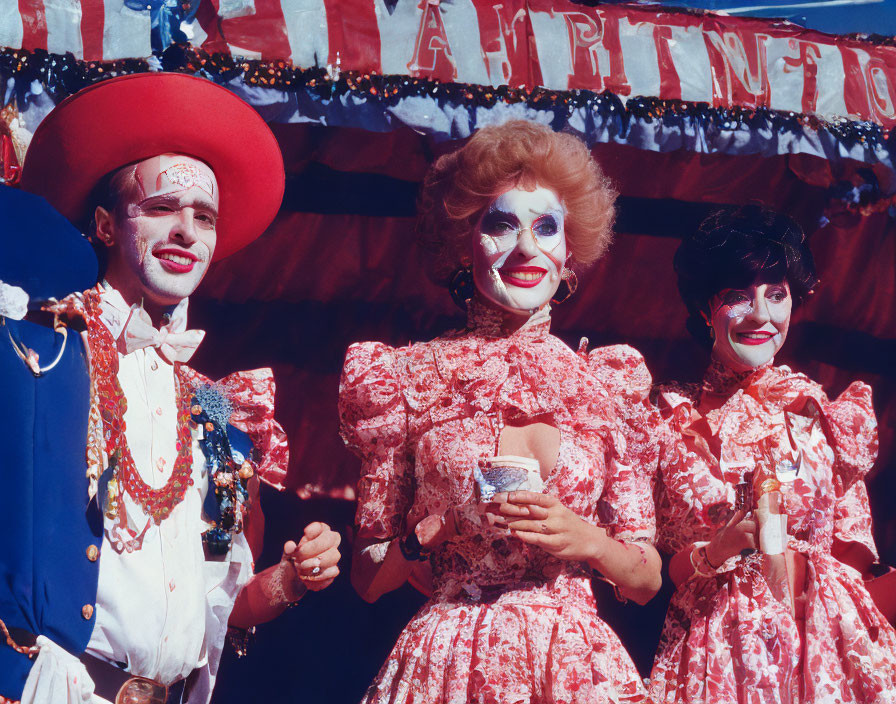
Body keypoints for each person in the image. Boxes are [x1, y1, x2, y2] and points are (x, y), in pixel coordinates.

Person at [0, 73, 341, 704]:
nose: (187, 230)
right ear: (105, 225)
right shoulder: (30, 353)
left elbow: (224, 604)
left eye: (204, 216)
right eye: (161, 208)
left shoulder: (215, 416)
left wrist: (291, 579)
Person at [339, 120, 662, 704]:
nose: (526, 248)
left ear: (570, 249)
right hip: (449, 661)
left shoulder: (607, 384)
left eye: (546, 228)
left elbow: (646, 578)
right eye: (501, 224)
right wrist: (423, 539)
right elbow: (367, 579)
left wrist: (589, 541)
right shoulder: (405, 378)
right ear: (464, 239)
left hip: (569, 664)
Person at [648, 204, 896, 704]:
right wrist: (714, 553)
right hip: (719, 651)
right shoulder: (669, 420)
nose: (761, 314)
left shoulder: (821, 413)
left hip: (827, 652)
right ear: (704, 308)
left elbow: (852, 559)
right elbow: (649, 571)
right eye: (738, 295)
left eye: (776, 294)